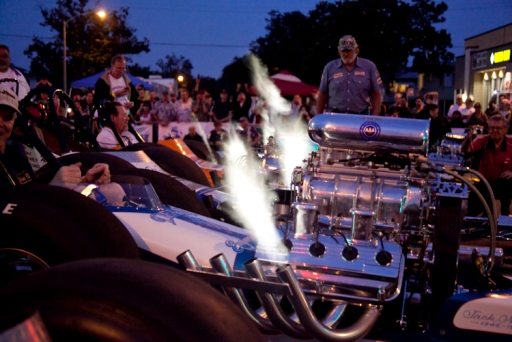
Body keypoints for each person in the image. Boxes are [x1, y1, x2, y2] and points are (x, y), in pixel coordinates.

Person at [0, 86, 111, 187]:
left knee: (114, 190)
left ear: (15, 120)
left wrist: (85, 179)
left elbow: (32, 193)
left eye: (7, 118)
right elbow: (21, 205)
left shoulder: (16, 158)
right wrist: (54, 187)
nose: (0, 124)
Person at [316, 35, 383, 115]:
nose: (345, 54)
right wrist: (318, 118)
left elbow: (377, 94)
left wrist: (373, 119)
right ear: (339, 52)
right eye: (343, 51)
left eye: (348, 51)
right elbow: (322, 95)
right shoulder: (329, 68)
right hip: (335, 117)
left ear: (357, 50)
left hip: (360, 117)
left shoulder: (369, 67)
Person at [461, 115, 512, 216]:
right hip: (485, 182)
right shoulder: (483, 141)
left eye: (498, 128)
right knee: (473, 206)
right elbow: (465, 151)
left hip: (503, 184)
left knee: (507, 184)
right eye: (492, 128)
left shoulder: (511, 144)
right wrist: (468, 140)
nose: (494, 131)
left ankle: (504, 220)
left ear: (505, 130)